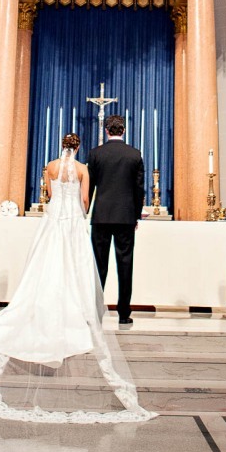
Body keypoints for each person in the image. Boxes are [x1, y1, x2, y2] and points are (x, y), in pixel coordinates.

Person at [0, 133, 155, 423]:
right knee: (95, 264)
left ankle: (52, 300)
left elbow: (51, 195)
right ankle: (109, 310)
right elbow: (83, 198)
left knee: (48, 261)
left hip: (55, 220)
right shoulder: (84, 168)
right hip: (86, 220)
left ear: (61, 146)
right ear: (77, 148)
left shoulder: (51, 166)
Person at [87, 114, 144, 326]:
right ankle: (124, 313)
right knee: (125, 264)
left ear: (106, 131)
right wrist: (136, 215)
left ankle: (96, 311)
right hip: (125, 216)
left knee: (99, 265)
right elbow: (139, 189)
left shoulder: (96, 154)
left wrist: (86, 209)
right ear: (124, 130)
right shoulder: (134, 154)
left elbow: (90, 186)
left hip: (101, 215)